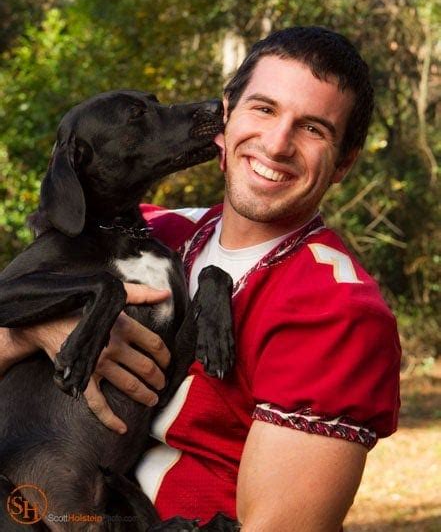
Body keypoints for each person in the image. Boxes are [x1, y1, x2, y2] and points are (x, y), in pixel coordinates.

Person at [0, 26, 401, 531]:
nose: (276, 144)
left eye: (313, 129)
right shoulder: (154, 231)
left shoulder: (333, 309)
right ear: (227, 113)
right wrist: (35, 331)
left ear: (344, 162)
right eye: (264, 108)